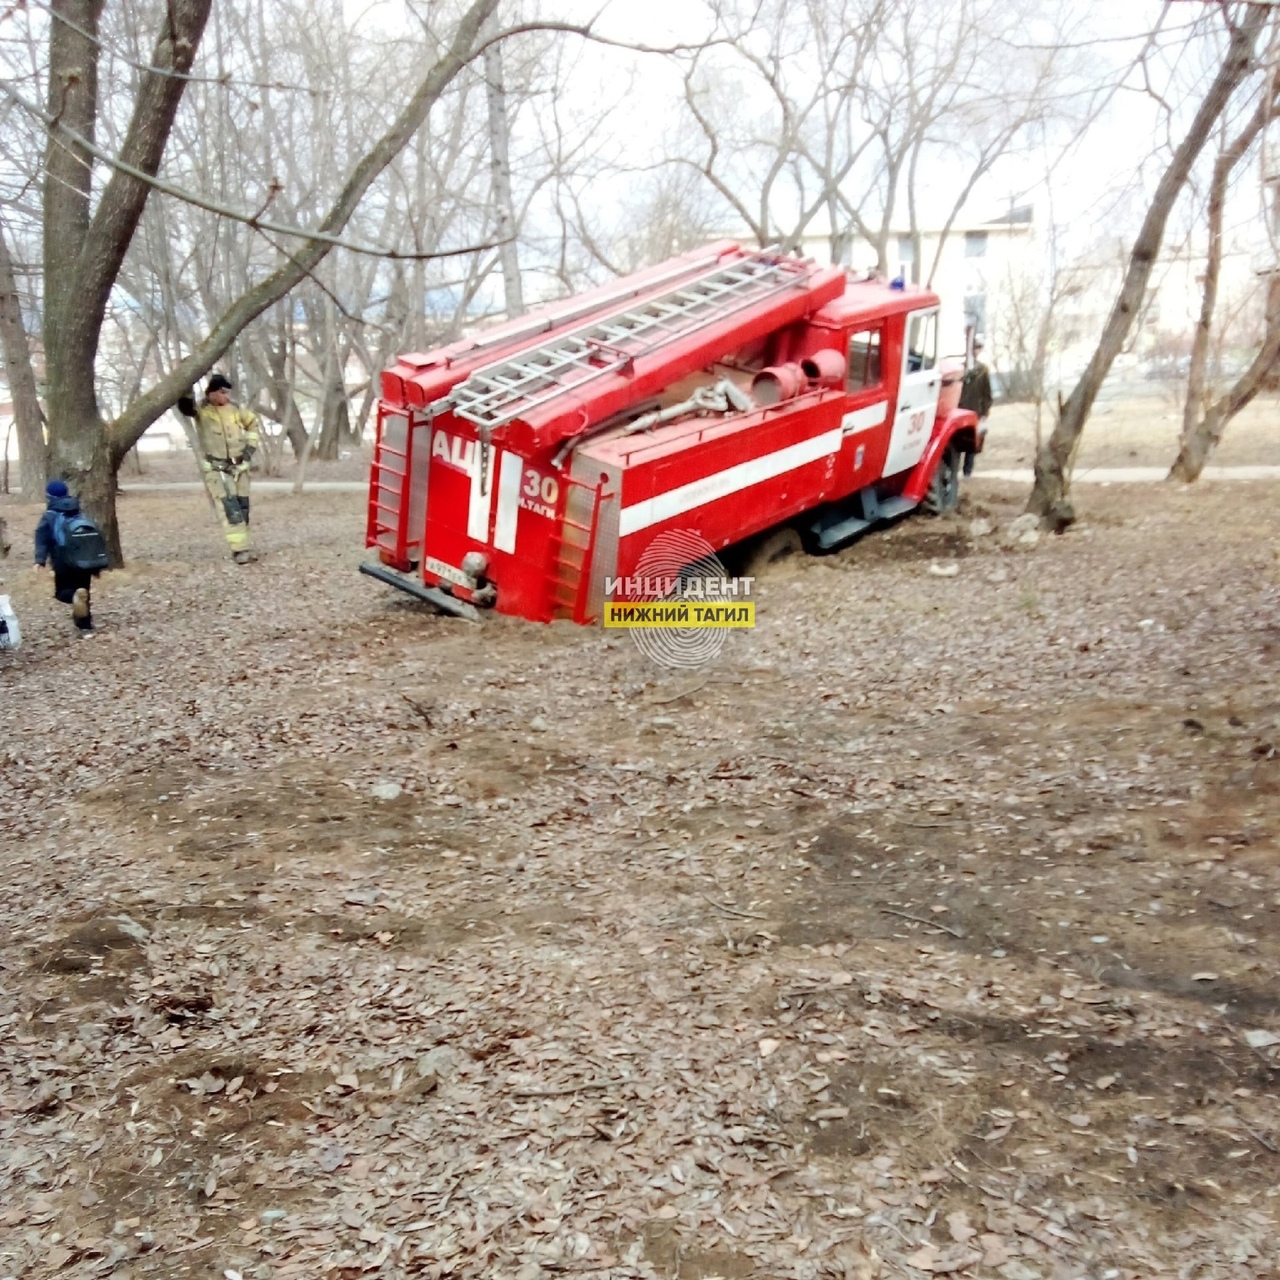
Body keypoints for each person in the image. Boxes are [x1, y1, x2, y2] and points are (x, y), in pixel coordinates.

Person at [178, 373, 261, 564]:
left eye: (227, 392)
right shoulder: (201, 409)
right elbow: (185, 407)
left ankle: (243, 545)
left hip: (239, 466)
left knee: (243, 506)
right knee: (230, 509)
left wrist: (248, 454)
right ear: (213, 393)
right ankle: (240, 551)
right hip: (218, 469)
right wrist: (187, 382)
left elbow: (253, 426)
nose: (226, 396)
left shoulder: (235, 409)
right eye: (223, 392)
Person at [33, 480, 99, 635]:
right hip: (84, 559)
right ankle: (85, 627)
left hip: (63, 560)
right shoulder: (76, 510)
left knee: (63, 592)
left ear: (49, 496)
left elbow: (42, 538)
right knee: (83, 591)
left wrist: (39, 560)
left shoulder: (49, 516)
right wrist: (96, 565)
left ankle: (73, 597)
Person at [959, 339, 994, 422]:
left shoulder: (983, 370)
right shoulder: (960, 369)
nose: (975, 351)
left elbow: (987, 395)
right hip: (961, 414)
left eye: (977, 348)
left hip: (976, 414)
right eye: (973, 348)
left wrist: (984, 414)